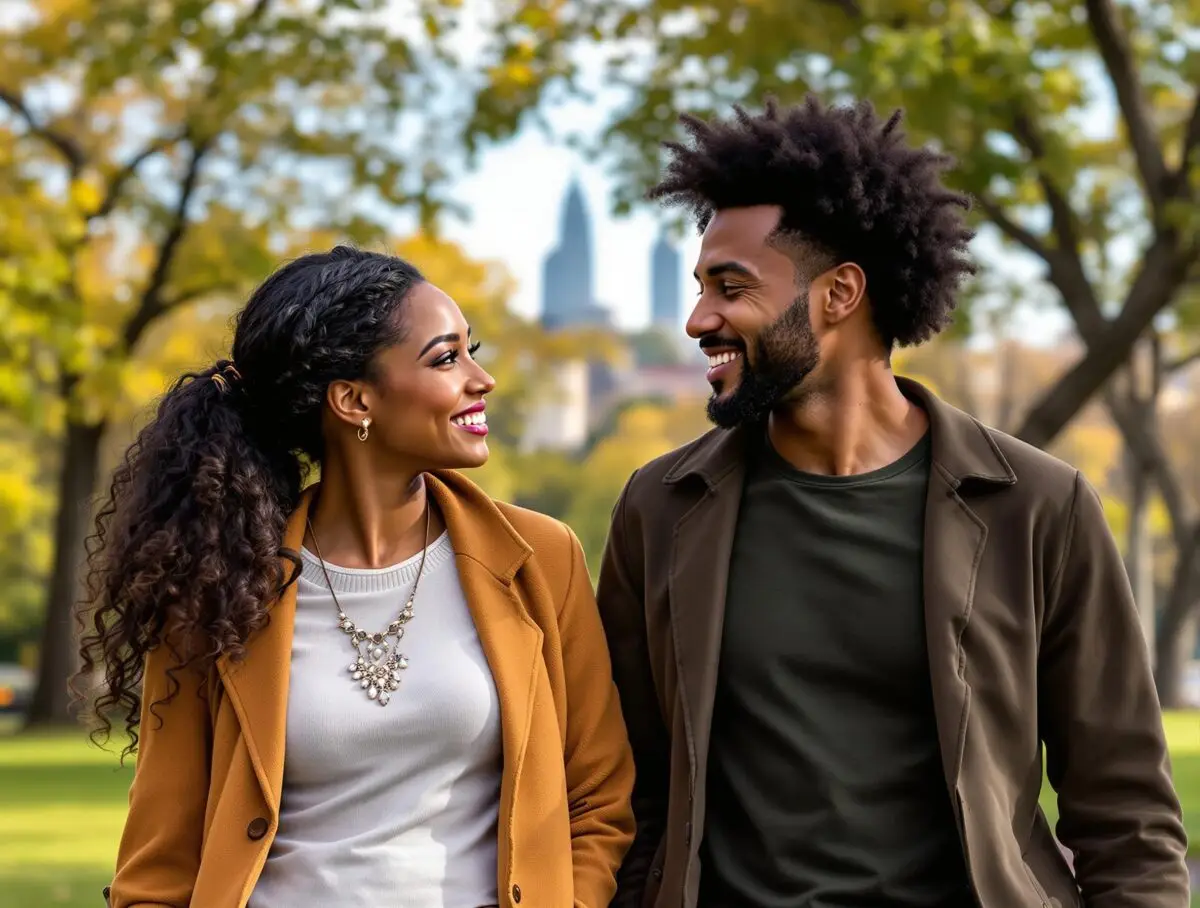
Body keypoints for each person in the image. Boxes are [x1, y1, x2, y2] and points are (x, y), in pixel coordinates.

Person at [596, 97, 1188, 908]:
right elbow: (623, 791)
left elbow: (1127, 816)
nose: (700, 319)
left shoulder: (1038, 507)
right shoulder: (662, 508)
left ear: (839, 293)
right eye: (701, 288)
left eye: (731, 287)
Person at [78, 246, 635, 908]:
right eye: (446, 358)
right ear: (353, 400)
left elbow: (598, 799)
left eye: (472, 351)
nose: (481, 379)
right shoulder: (220, 585)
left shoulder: (542, 558)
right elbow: (158, 866)